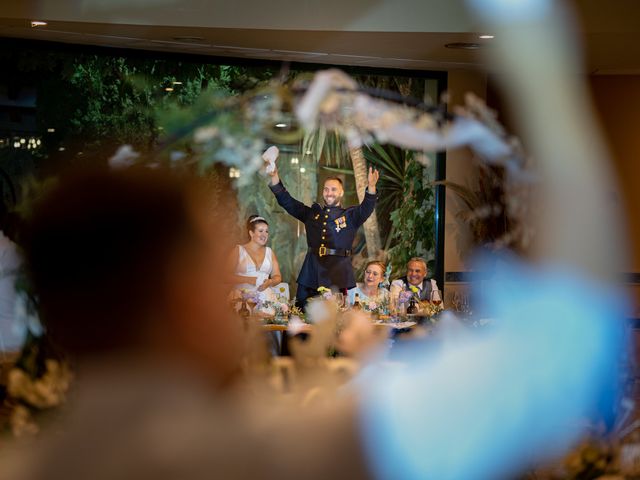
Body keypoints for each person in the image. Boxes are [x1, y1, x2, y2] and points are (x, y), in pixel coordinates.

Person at [266, 148, 379, 309]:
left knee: (334, 321)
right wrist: (274, 177)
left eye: (333, 189)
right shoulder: (312, 213)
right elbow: (287, 202)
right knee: (302, 314)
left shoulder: (351, 215)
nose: (329, 193)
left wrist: (371, 187)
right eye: (326, 189)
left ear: (341, 192)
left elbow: (367, 207)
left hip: (338, 274)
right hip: (311, 272)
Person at [227, 214, 282, 303]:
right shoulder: (238, 250)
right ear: (251, 233)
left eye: (266, 231)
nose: (264, 235)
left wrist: (270, 282)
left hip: (265, 298)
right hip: (241, 297)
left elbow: (277, 276)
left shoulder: (269, 252)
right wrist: (249, 280)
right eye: (260, 231)